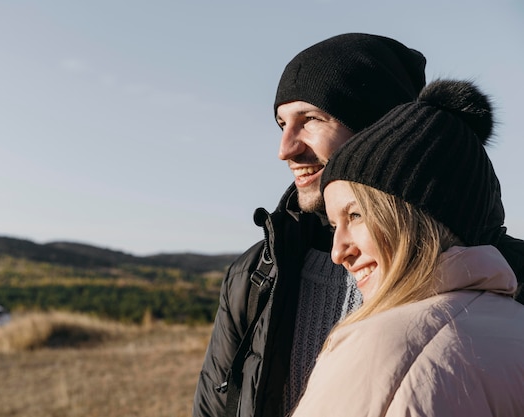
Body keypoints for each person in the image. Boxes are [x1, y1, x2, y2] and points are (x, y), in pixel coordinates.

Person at [192, 33, 524, 417]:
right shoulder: (254, 275)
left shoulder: (511, 277)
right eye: (282, 122)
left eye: (311, 119)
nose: (285, 148)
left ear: (387, 128)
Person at [290, 79, 524, 416]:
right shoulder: (515, 327)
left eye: (355, 214)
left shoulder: (382, 347)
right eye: (333, 224)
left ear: (416, 216)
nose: (338, 251)